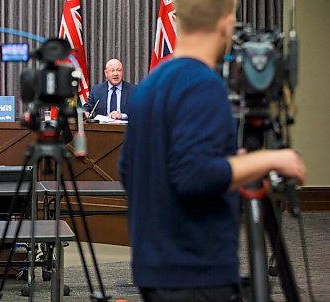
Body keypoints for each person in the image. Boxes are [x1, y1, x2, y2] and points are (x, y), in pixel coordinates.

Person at [118, 0, 307, 301]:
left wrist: (232, 165)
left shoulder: (149, 85)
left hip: (154, 269)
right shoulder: (203, 84)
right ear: (225, 23)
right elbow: (195, 176)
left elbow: (129, 171)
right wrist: (271, 158)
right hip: (196, 273)